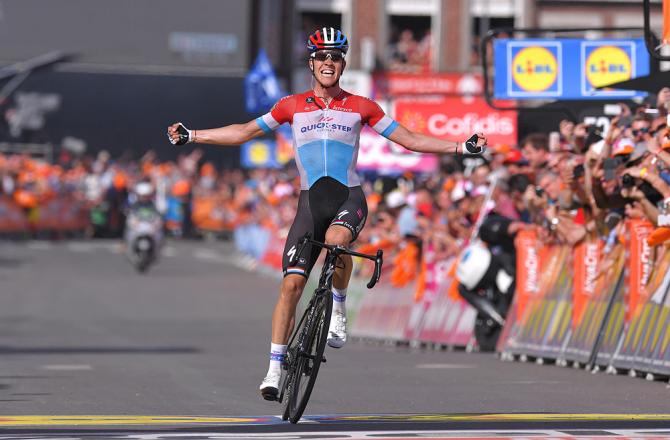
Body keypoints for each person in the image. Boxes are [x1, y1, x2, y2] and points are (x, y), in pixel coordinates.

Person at [166, 27, 487, 401]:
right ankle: (273, 369)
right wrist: (193, 136)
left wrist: (460, 146)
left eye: (335, 57)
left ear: (343, 63)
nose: (328, 63)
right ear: (312, 63)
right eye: (321, 57)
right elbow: (244, 131)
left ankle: (337, 305)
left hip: (349, 198)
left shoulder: (362, 106)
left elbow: (410, 140)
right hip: (309, 204)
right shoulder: (291, 105)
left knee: (337, 243)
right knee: (291, 286)